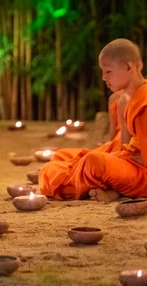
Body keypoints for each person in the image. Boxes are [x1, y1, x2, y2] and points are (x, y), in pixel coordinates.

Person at [40, 38, 147, 201]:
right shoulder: (126, 101)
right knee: (60, 161)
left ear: (129, 67)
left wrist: (117, 158)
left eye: (108, 71)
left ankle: (111, 188)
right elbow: (124, 146)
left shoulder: (144, 102)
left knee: (92, 162)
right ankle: (112, 189)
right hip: (130, 165)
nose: (103, 77)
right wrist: (118, 156)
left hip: (143, 174)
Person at [39, 91, 124, 200]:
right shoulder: (114, 98)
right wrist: (106, 144)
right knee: (60, 155)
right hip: (112, 145)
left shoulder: (140, 96)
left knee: (92, 162)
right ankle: (86, 184)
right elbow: (113, 132)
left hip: (125, 148)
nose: (105, 78)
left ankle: (101, 188)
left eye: (109, 72)